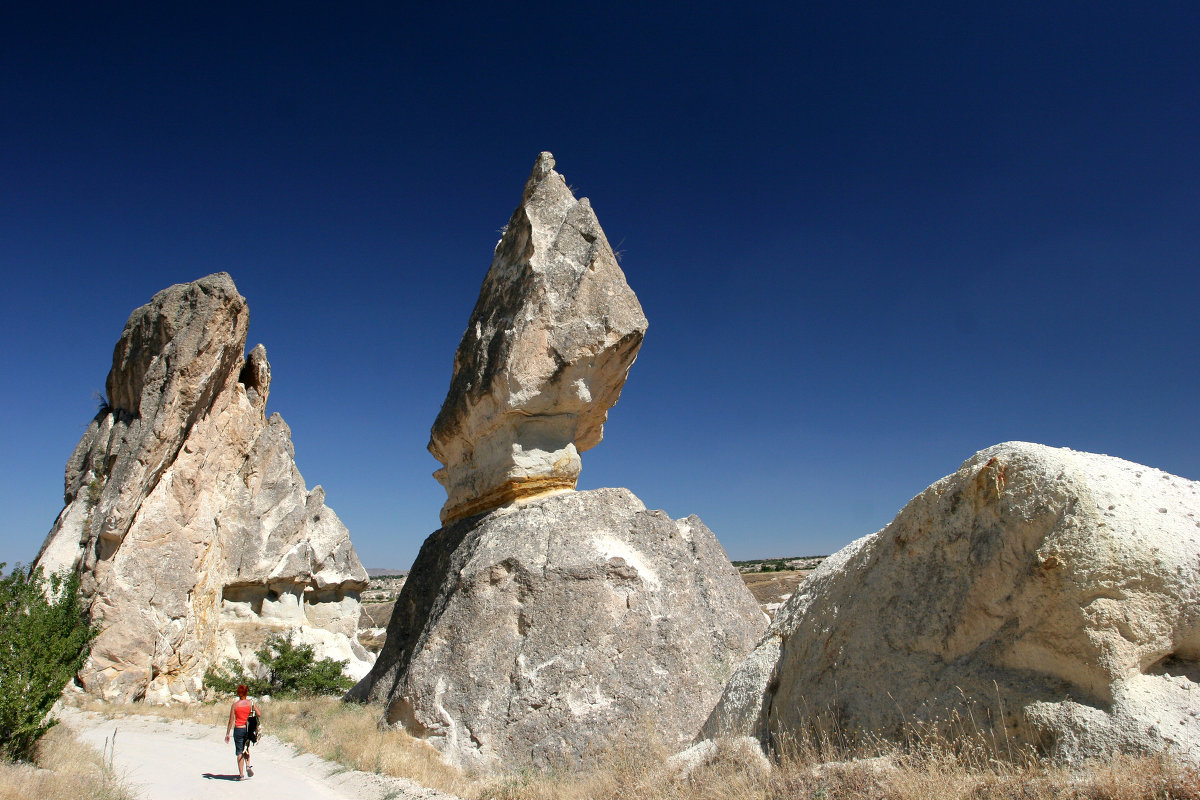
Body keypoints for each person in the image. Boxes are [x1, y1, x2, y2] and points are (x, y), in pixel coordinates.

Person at [224, 684, 262, 780]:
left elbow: (231, 720)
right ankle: (248, 765)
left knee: (239, 751)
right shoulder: (250, 703)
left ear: (238, 693)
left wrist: (227, 733)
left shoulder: (235, 705)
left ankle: (241, 775)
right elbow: (259, 714)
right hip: (248, 728)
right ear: (246, 693)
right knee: (247, 747)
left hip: (238, 728)